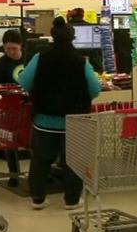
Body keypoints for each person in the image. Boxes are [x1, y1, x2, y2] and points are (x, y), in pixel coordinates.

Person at [19, 17, 101, 210]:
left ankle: (38, 198)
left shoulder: (40, 58)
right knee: (73, 160)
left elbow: (24, 82)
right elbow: (95, 89)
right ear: (72, 38)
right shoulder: (81, 62)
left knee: (41, 159)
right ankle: (71, 200)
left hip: (44, 120)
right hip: (73, 121)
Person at [0, 29, 26, 187]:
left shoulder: (30, 59)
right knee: (10, 142)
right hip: (10, 107)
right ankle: (14, 174)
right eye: (8, 49)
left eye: (14, 48)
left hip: (29, 105)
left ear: (21, 46)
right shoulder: (0, 66)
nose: (11, 52)